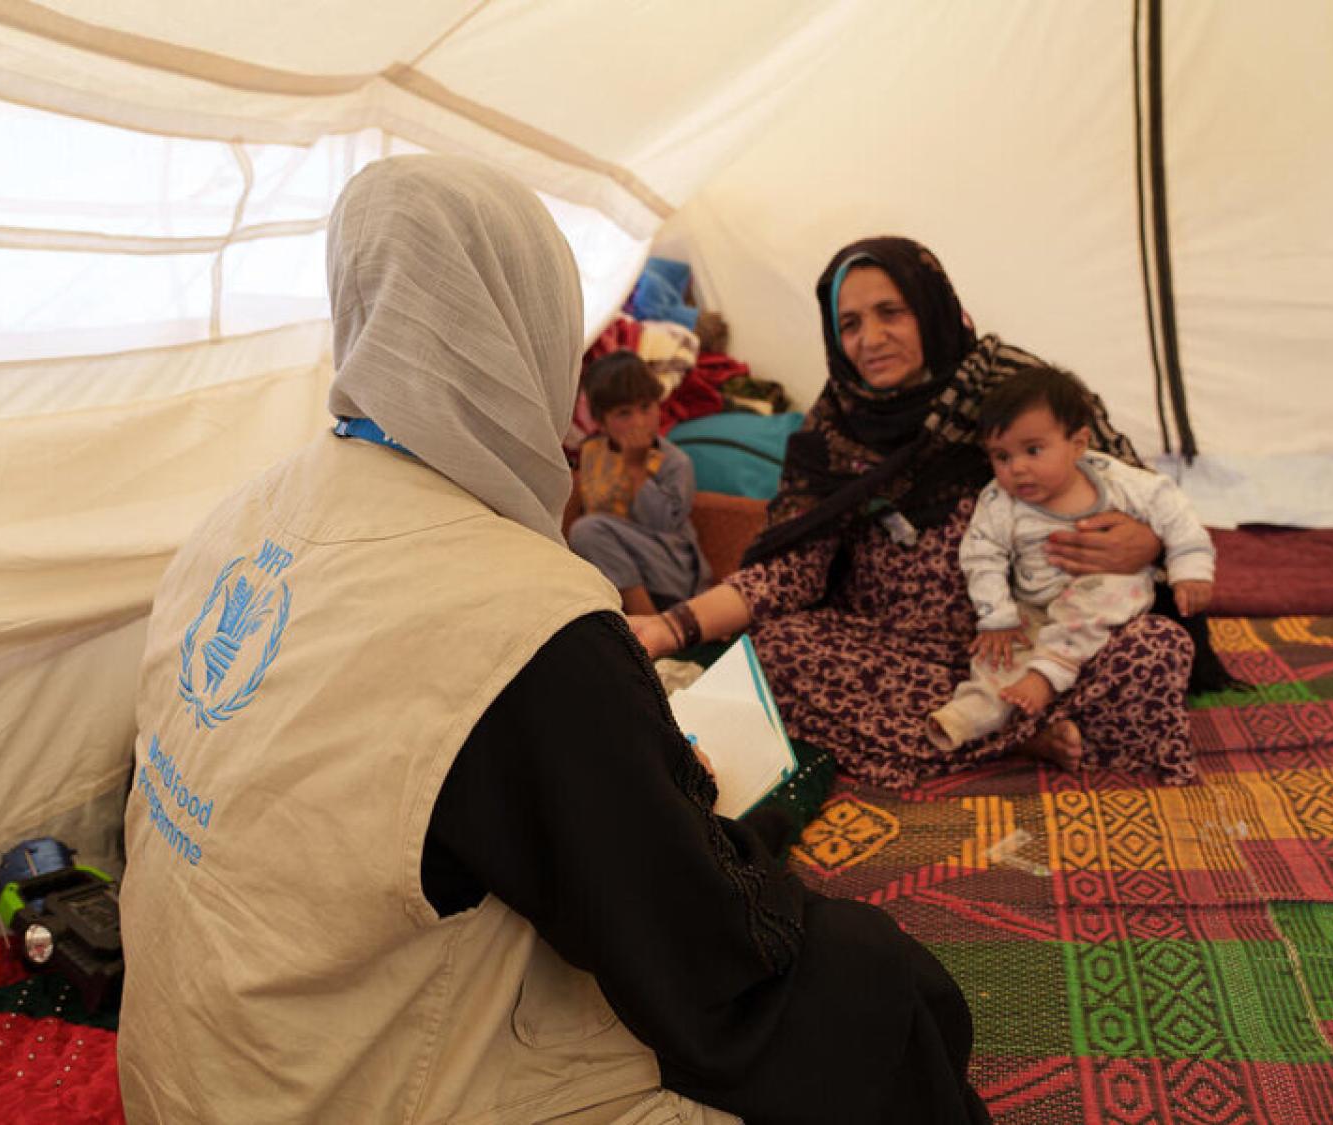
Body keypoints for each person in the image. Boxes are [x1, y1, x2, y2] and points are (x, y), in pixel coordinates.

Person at [117, 158, 988, 1124]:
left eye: (888, 315)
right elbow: (698, 946)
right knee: (877, 984)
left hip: (187, 1065)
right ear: (526, 330)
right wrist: (678, 796)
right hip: (351, 1084)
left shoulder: (236, 518)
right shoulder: (523, 611)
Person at [631, 237, 1212, 788]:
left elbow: (1137, 490)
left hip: (1031, 637)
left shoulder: (1015, 393)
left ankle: (993, 721)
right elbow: (790, 572)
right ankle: (1016, 733)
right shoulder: (834, 428)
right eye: (850, 324)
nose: (871, 338)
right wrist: (668, 626)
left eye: (891, 312)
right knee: (779, 652)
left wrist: (1150, 544)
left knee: (1154, 649)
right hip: (893, 649)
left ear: (932, 311)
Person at [927, 366, 1215, 762]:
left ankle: (1047, 676)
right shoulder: (999, 501)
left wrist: (1190, 567)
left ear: (1078, 443)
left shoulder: (1116, 481)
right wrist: (998, 617)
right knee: (999, 652)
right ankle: (973, 713)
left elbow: (1174, 512)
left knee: (1114, 589)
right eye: (1001, 456)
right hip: (1034, 609)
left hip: (1102, 609)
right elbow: (982, 555)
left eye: (1033, 450)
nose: (1017, 468)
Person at [568, 350, 712, 615]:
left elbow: (662, 523)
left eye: (646, 407)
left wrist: (636, 467)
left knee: (587, 531)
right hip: (614, 564)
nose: (639, 422)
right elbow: (586, 503)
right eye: (624, 414)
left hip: (673, 574)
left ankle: (652, 629)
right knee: (585, 534)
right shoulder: (592, 452)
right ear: (601, 422)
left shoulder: (675, 463)